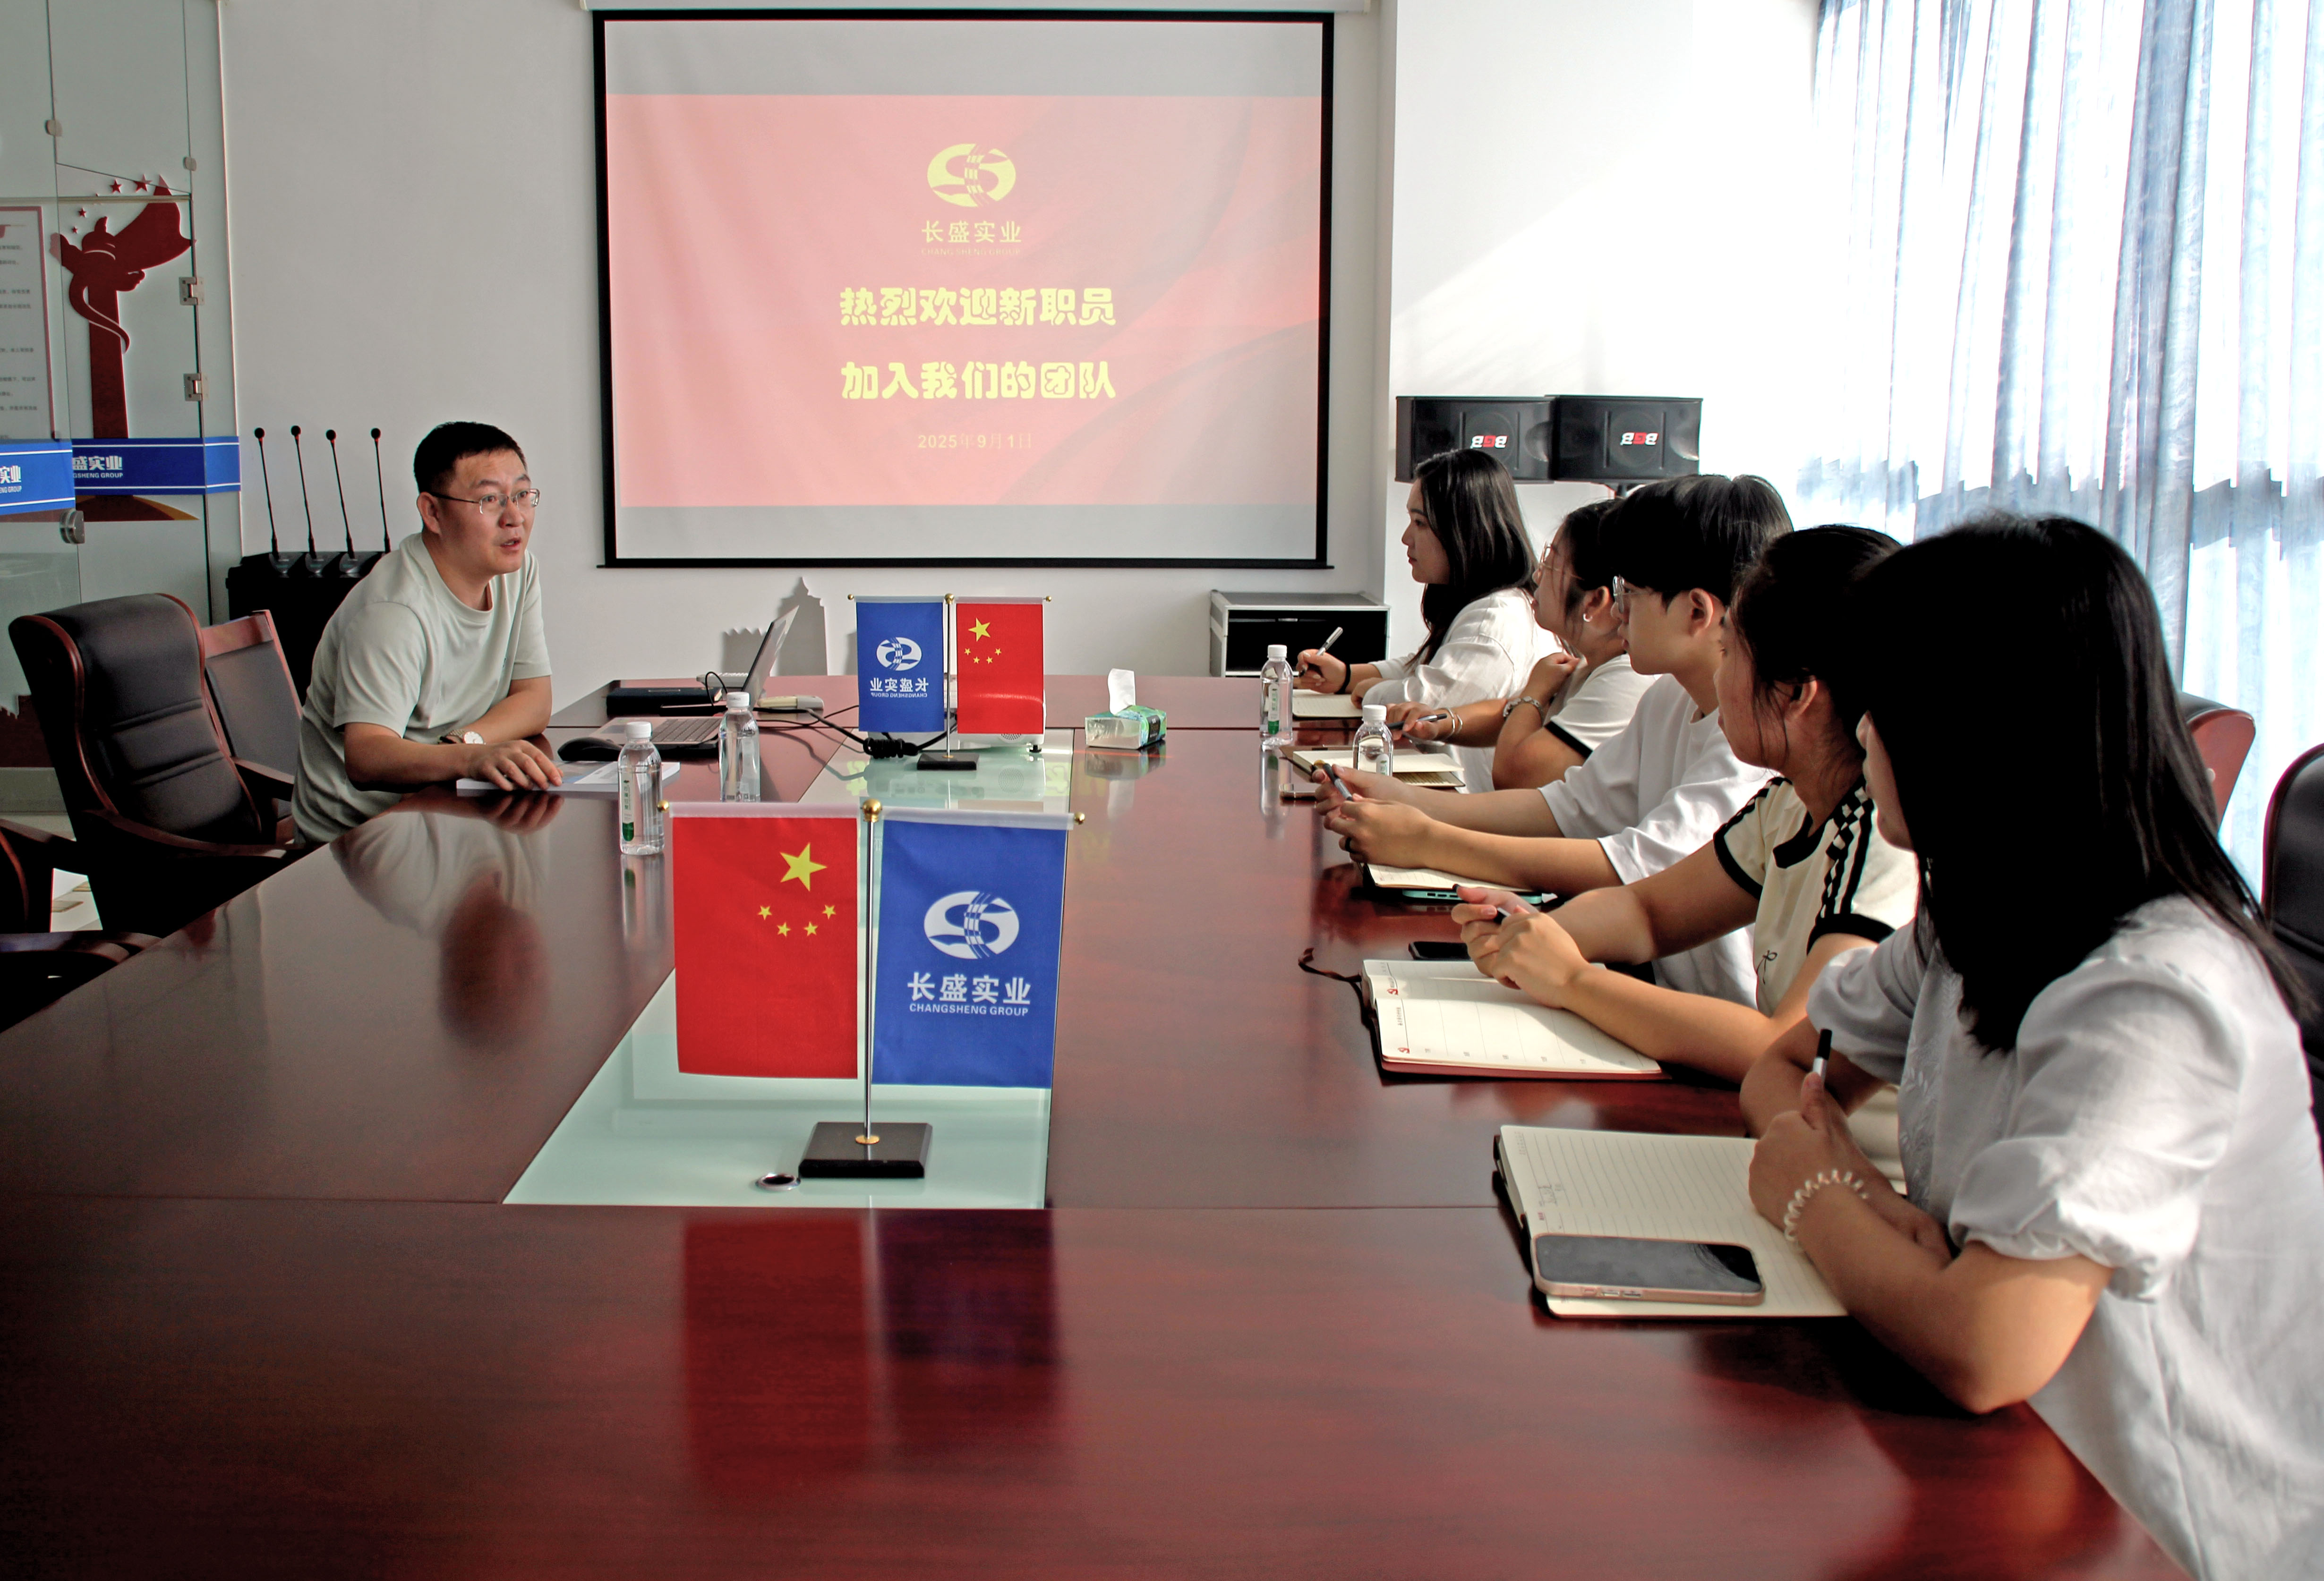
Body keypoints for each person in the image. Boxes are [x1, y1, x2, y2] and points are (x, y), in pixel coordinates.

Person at [1736, 516, 2324, 1581]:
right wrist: (1865, 1201)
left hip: (2159, 1529)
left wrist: (1813, 1194)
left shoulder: (2158, 994)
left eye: (1886, 703)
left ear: (1974, 729)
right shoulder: (1978, 918)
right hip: (2010, 1466)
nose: (1862, 733)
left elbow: (1987, 1345)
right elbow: (1784, 1064)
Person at [1455, 527, 1914, 1084]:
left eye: (1732, 652)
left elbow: (1784, 1047)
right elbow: (1647, 913)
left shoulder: (1878, 840)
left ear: (1799, 695)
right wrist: (1530, 934)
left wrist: (1573, 980)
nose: (1721, 676)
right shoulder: (1788, 804)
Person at [1319, 473, 1790, 1004]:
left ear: (1698, 612)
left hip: (1699, 1010)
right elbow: (1564, 808)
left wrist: (1427, 839)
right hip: (1641, 979)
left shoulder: (1752, 745)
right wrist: (1405, 801)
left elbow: (1630, 867)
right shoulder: (1671, 699)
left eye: (1631, 591)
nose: (1620, 610)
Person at [293, 421, 562, 843]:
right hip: (360, 840)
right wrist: (469, 758)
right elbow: (367, 757)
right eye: (490, 500)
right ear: (433, 513)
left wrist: (465, 743)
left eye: (523, 495)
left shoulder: (517, 571)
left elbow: (534, 699)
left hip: (445, 811)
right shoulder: (393, 610)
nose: (515, 518)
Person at [1293, 449, 1539, 788]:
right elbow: (1426, 666)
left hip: (1461, 802)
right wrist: (1348, 675)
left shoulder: (1496, 619)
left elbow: (1424, 704)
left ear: (1464, 530)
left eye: (1420, 523)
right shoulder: (1485, 604)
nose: (1406, 538)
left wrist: (1371, 690)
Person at [1382, 496, 1655, 790]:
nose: (1537, 575)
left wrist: (1534, 694)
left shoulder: (1625, 679)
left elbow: (1515, 774)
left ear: (1595, 601)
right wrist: (1440, 723)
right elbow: (1508, 711)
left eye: (1551, 565)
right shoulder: (1586, 666)